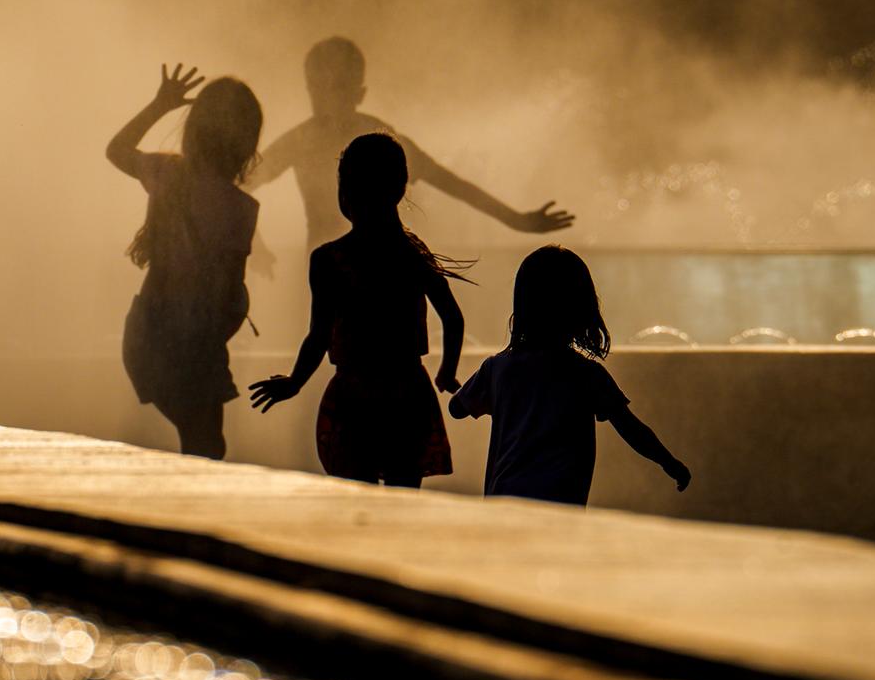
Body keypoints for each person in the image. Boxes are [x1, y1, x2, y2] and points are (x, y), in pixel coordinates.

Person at [248, 133, 467, 487]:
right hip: (406, 392)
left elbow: (318, 335)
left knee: (354, 498)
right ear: (398, 190)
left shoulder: (330, 260)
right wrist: (446, 372)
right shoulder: (412, 256)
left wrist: (295, 381)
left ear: (344, 193)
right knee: (402, 498)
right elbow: (453, 319)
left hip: (355, 397)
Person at [246, 36, 575, 251]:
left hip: (384, 268)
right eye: (317, 88)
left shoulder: (380, 138)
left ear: (358, 93)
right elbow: (242, 184)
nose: (323, 98)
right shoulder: (301, 140)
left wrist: (515, 219)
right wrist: (254, 241)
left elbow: (452, 183)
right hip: (324, 271)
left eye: (334, 87)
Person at [448, 244, 691, 504]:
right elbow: (631, 428)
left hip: (505, 498)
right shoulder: (587, 375)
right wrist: (669, 462)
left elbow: (457, 408)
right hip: (560, 501)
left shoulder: (497, 369)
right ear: (582, 310)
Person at [107, 64, 263, 459]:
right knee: (206, 442)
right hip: (194, 340)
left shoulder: (167, 173)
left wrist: (159, 106)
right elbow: (229, 293)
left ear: (194, 128)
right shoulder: (241, 209)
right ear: (247, 143)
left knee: (203, 440)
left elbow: (117, 150)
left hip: (149, 330)